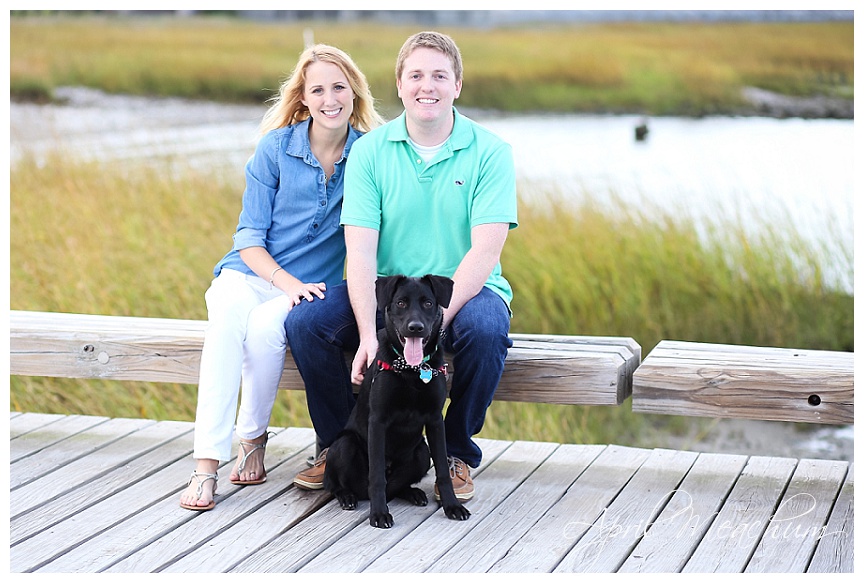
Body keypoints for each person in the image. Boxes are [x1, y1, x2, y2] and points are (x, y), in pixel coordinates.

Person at [286, 31, 517, 501]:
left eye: (439, 76)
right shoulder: (371, 151)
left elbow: (484, 253)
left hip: (462, 295)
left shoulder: (491, 151)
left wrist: (428, 326)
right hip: (387, 298)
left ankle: (454, 453)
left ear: (457, 85)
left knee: (488, 330)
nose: (426, 86)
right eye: (415, 75)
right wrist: (373, 337)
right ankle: (340, 444)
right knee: (307, 322)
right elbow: (361, 251)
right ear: (398, 83)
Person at [179, 44, 384, 511]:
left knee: (267, 330)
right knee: (227, 324)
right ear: (304, 98)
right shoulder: (276, 148)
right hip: (251, 273)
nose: (329, 98)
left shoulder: (370, 154)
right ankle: (206, 464)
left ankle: (251, 440)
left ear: (354, 93)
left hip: (314, 288)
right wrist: (285, 283)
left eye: (338, 87)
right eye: (318, 89)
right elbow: (248, 237)